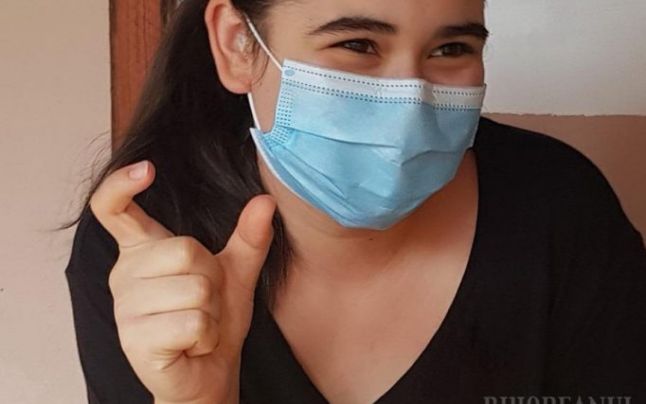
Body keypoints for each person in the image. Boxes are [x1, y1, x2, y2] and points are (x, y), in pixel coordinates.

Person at [63, 0, 646, 403]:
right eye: (357, 44)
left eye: (451, 48)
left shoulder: (560, 210)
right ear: (238, 43)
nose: (410, 103)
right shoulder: (149, 243)